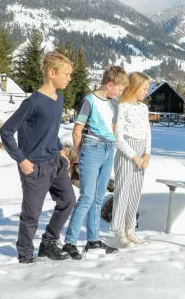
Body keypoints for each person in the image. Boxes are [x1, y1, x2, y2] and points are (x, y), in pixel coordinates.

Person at [0, 51, 76, 263]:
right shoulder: (32, 103)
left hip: (56, 163)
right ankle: (25, 257)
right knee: (31, 215)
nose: (70, 78)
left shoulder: (58, 98)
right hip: (35, 167)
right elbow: (6, 131)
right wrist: (22, 160)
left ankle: (48, 243)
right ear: (52, 73)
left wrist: (60, 150)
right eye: (67, 74)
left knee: (68, 201)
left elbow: (51, 130)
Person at [62, 66, 127, 260]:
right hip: (92, 147)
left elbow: (113, 128)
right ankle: (70, 242)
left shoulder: (113, 104)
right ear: (109, 84)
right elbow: (77, 130)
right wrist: (81, 154)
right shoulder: (88, 101)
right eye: (120, 88)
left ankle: (93, 240)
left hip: (108, 148)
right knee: (87, 197)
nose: (120, 92)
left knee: (99, 197)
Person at [111, 72, 151, 248]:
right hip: (127, 153)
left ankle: (130, 229)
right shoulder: (122, 106)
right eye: (144, 88)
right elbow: (118, 137)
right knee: (123, 191)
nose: (146, 92)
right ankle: (119, 230)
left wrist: (146, 154)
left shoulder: (143, 108)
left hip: (141, 152)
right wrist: (134, 156)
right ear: (134, 87)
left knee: (135, 191)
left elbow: (148, 132)